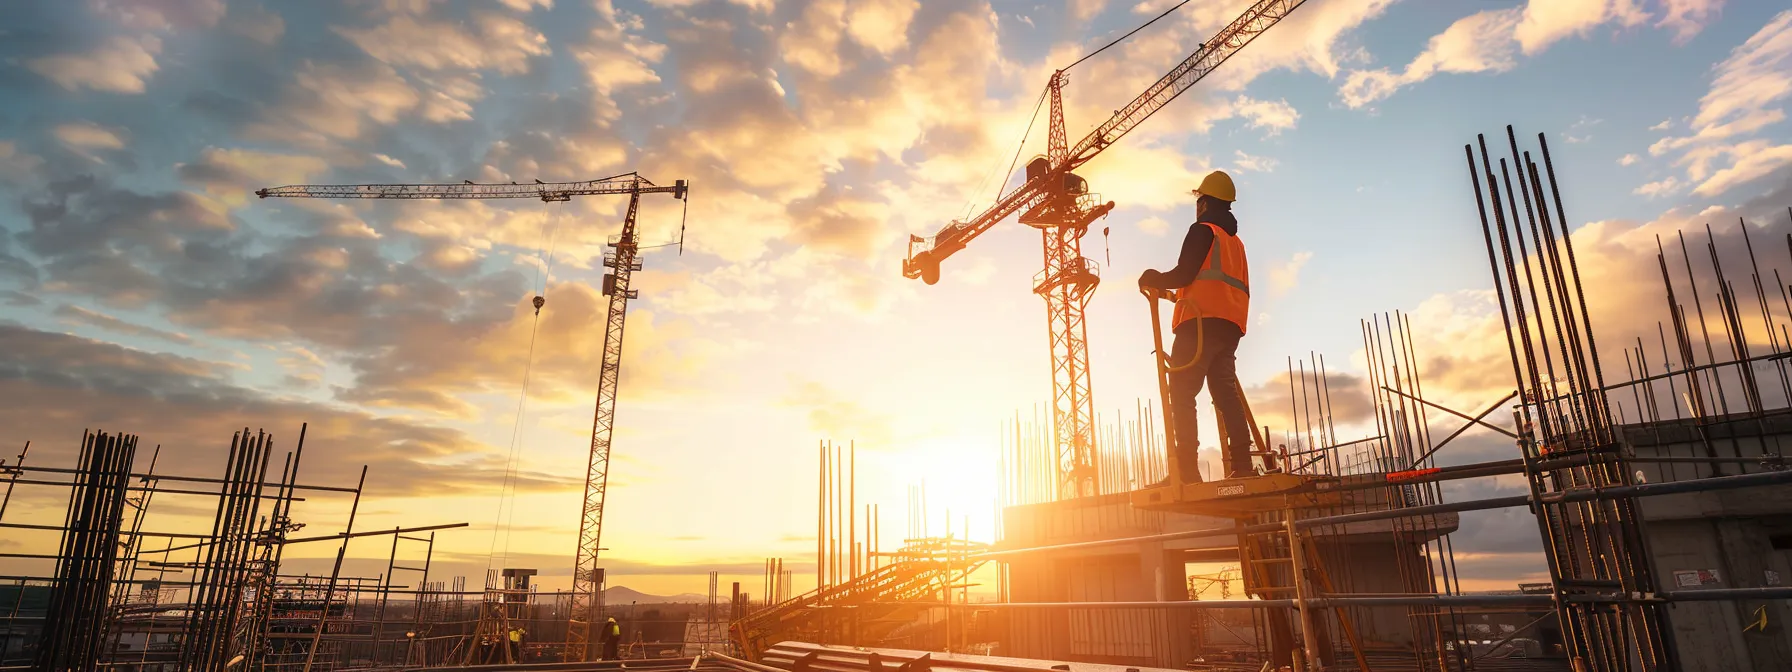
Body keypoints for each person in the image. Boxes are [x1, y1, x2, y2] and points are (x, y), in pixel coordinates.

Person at [1139, 170, 1253, 482]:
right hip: (1229, 326)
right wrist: (1172, 293)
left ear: (1204, 202)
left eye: (1198, 200)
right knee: (1225, 393)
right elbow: (1213, 282)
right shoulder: (1236, 242)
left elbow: (1185, 273)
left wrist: (1153, 278)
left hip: (1198, 324)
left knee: (1182, 391)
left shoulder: (1203, 230)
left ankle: (1186, 469)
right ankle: (1243, 465)